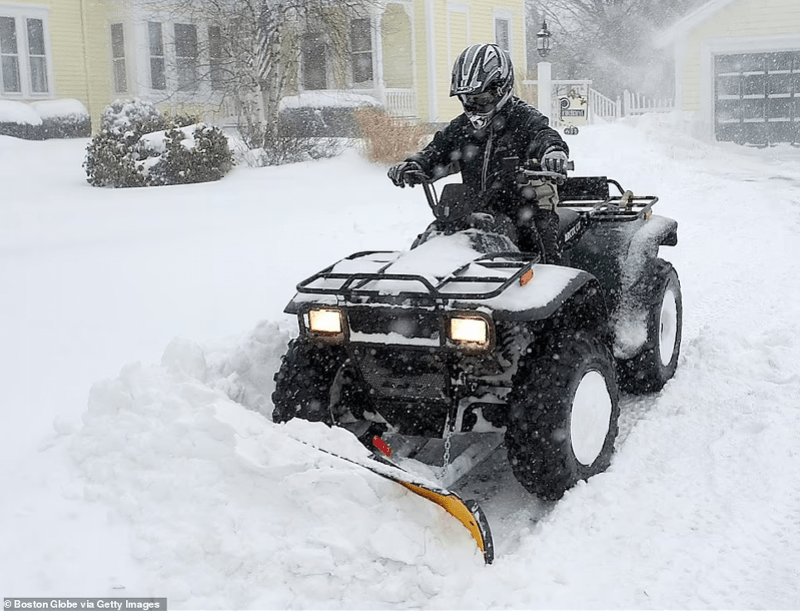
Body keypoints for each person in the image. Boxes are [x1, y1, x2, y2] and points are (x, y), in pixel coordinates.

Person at [388, 43, 569, 264]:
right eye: (467, 99)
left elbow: (544, 135)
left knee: (544, 259)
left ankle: (559, 290)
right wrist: (416, 164)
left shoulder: (525, 119)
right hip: (473, 210)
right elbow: (438, 150)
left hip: (527, 209)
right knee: (434, 237)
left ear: (501, 90)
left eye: (481, 99)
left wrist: (553, 152)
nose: (473, 107)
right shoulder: (462, 127)